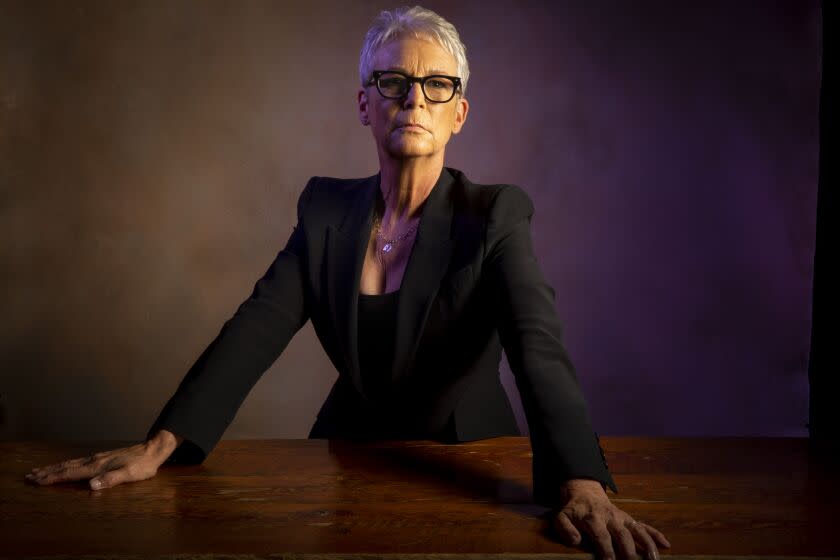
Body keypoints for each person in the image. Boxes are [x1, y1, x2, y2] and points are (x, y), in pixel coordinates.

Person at [25, 5, 670, 559]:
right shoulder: (325, 210)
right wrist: (161, 443)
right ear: (365, 103)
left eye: (437, 85)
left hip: (465, 457)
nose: (415, 98)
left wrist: (580, 481)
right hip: (345, 455)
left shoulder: (494, 214)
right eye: (394, 81)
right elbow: (256, 326)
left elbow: (538, 344)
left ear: (459, 113)